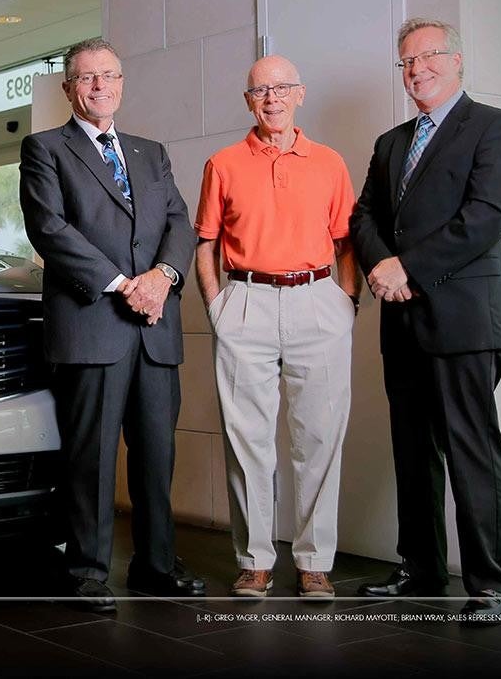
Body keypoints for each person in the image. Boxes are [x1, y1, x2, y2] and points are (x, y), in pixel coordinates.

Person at [350, 18, 501, 618]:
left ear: (456, 60)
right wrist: (380, 266)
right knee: (412, 451)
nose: (416, 69)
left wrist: (408, 269)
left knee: (471, 450)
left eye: (427, 57)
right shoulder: (391, 142)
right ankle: (421, 571)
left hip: (463, 321)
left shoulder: (497, 128)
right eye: (405, 61)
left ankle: (491, 587)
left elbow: (486, 216)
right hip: (400, 322)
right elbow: (364, 216)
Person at [19, 38, 201, 611]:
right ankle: (88, 570)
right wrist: (126, 285)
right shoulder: (45, 148)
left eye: (110, 76)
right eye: (88, 78)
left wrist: (164, 277)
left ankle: (155, 564)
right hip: (94, 324)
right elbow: (50, 230)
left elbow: (179, 223)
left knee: (155, 454)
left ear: (122, 83)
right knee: (91, 457)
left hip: (154, 329)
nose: (100, 86)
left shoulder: (152, 152)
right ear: (69, 87)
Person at [194, 55, 359, 599]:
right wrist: (218, 305)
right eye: (260, 90)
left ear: (300, 94)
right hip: (246, 301)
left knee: (318, 439)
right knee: (249, 442)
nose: (272, 98)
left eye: (281, 88)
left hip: (318, 301)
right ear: (248, 100)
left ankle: (315, 562)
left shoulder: (330, 163)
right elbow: (206, 244)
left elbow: (345, 241)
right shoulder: (223, 163)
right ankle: (256, 561)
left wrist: (346, 301)